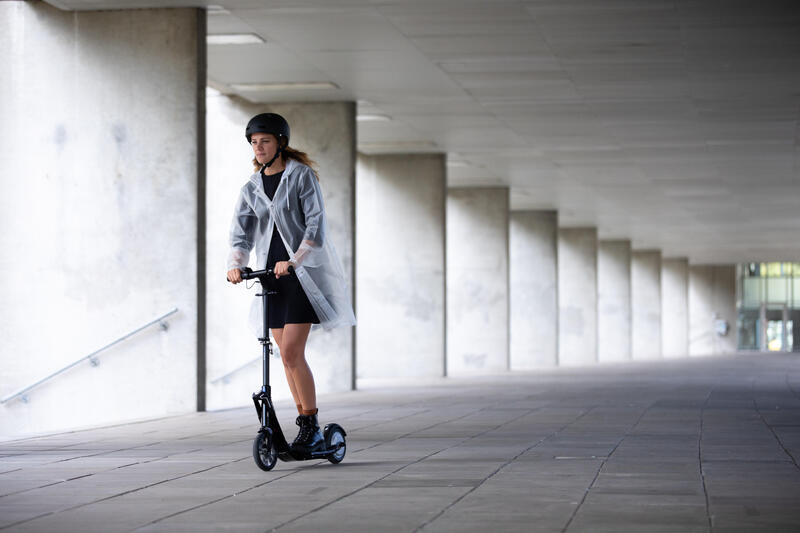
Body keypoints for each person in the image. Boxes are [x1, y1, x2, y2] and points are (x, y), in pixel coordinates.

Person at [226, 112, 355, 454]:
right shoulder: (251, 187)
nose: (259, 148)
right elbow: (240, 233)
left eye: (265, 141)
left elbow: (315, 227)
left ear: (280, 142)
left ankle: (310, 426)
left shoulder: (300, 176)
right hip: (270, 278)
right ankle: (305, 426)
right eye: (254, 143)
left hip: (300, 275)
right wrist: (236, 265)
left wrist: (294, 260)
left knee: (292, 351)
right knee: (285, 357)